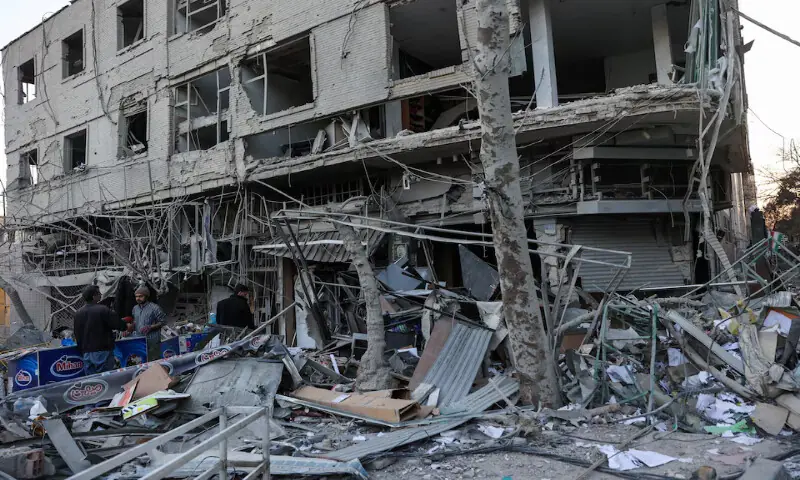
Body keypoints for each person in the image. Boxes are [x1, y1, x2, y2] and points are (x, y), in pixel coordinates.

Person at [73, 285, 128, 375]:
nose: (101, 295)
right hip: (103, 351)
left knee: (92, 380)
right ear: (93, 296)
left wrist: (83, 350)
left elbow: (77, 333)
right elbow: (119, 324)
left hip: (86, 353)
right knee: (105, 378)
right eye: (99, 293)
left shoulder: (78, 313)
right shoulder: (103, 310)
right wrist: (126, 325)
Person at [132, 286, 167, 362]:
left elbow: (163, 321)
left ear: (146, 296)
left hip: (152, 341)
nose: (138, 298)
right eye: (136, 296)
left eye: (140, 296)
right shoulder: (135, 308)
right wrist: (129, 328)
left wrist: (151, 327)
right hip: (139, 340)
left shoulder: (155, 308)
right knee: (141, 361)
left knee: (153, 362)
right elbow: (135, 321)